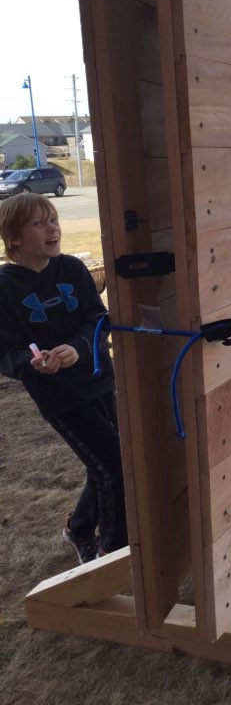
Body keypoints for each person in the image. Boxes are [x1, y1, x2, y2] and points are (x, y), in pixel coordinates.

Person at [0, 193, 127, 564]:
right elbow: (6, 349)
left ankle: (79, 529)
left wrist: (79, 349)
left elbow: (96, 319)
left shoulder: (72, 269)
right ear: (15, 237)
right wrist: (31, 361)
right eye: (39, 223)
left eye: (53, 219)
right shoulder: (4, 287)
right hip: (60, 395)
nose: (52, 227)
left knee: (104, 462)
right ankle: (111, 552)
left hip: (99, 378)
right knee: (115, 466)